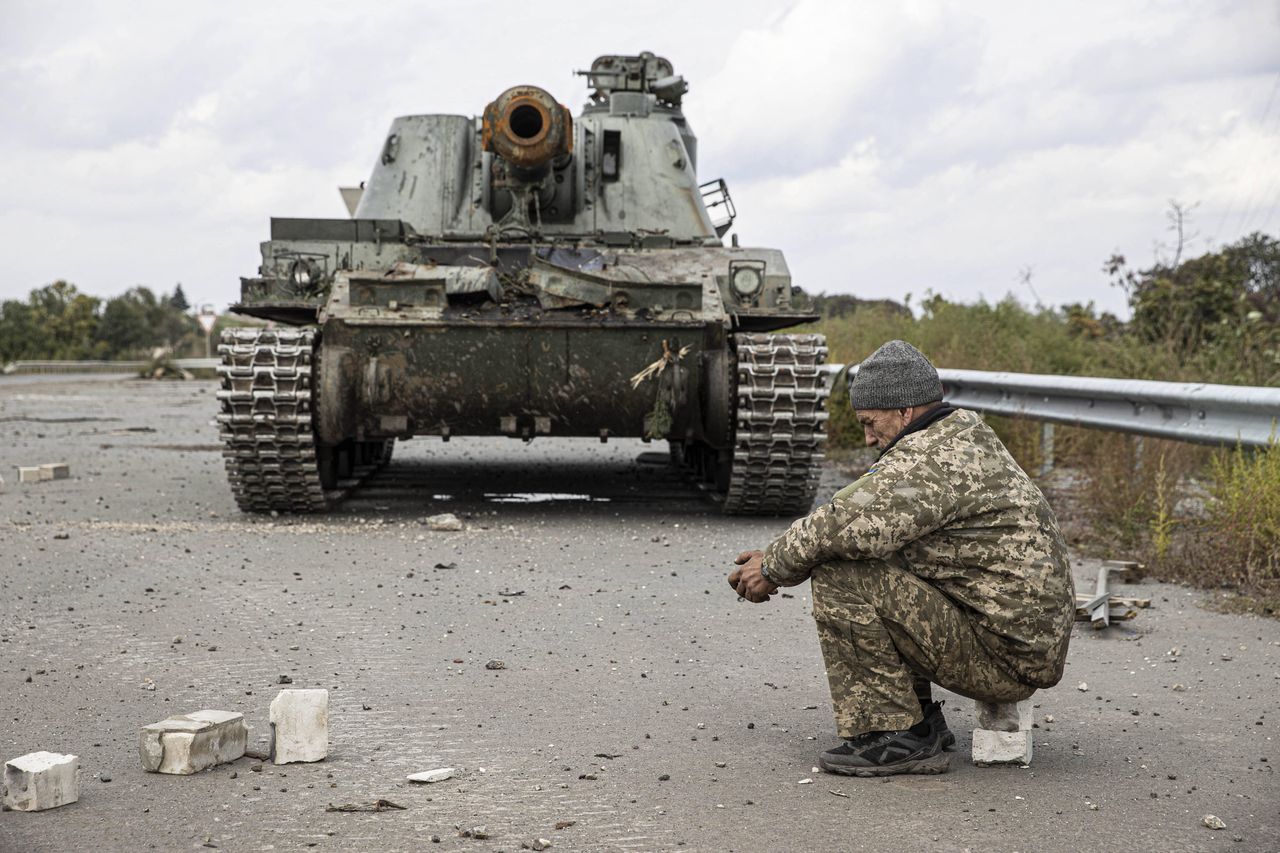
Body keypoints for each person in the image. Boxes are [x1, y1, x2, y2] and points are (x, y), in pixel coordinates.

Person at [728, 340, 1074, 776]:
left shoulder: (929, 459)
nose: (869, 438)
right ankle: (920, 720)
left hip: (1005, 660)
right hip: (1016, 643)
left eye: (871, 423)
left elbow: (842, 524)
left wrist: (772, 567)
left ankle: (897, 735)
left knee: (841, 571)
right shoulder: (959, 434)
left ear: (905, 412)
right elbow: (858, 515)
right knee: (882, 556)